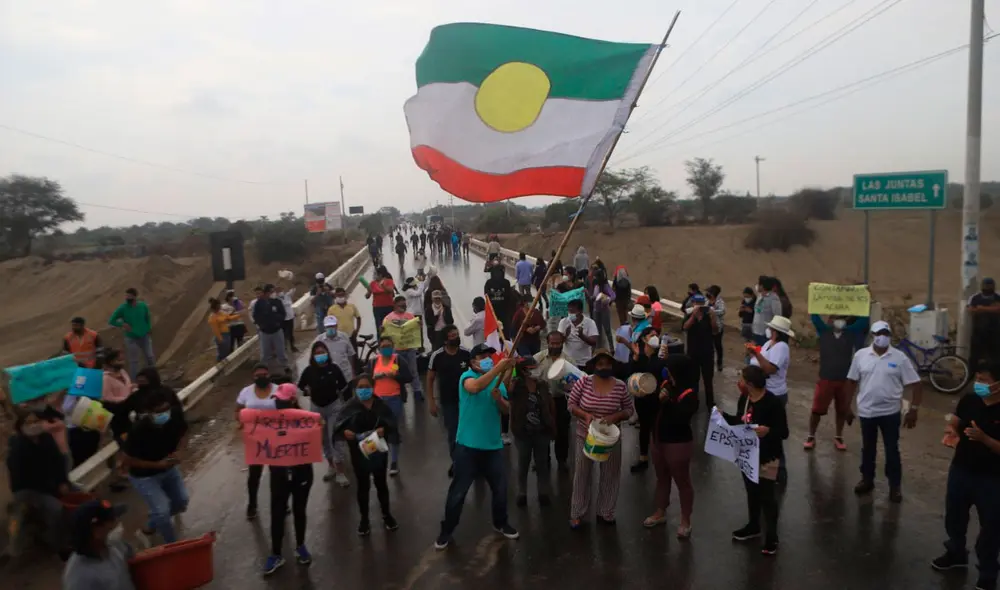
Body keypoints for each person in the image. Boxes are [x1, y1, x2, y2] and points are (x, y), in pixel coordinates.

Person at [434, 345, 518, 550]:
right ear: (473, 361)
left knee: (500, 489)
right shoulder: (467, 377)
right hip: (468, 447)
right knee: (458, 492)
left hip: (493, 445)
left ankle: (501, 522)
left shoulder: (497, 381)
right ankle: (446, 531)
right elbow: (475, 388)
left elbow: (506, 409)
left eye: (490, 355)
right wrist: (499, 368)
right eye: (483, 356)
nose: (488, 358)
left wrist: (499, 399)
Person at [932, 361, 1000, 588]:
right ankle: (956, 553)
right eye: (977, 379)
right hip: (960, 470)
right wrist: (951, 430)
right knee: (955, 516)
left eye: (984, 380)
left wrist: (984, 439)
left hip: (992, 478)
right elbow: (956, 420)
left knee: (991, 527)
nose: (979, 384)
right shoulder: (969, 400)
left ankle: (988, 573)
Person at [846, 320, 922, 503]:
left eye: (886, 334)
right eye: (879, 334)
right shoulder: (861, 356)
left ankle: (895, 486)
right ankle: (867, 480)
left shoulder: (899, 358)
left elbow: (916, 384)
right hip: (867, 412)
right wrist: (846, 406)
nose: (883, 337)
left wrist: (914, 409)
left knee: (892, 450)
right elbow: (852, 381)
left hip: (890, 413)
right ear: (872, 336)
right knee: (868, 448)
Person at [724, 365, 789, 556]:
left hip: (767, 456)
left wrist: (768, 431)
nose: (739, 382)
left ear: (750, 384)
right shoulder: (745, 399)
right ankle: (753, 526)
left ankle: (772, 536)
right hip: (747, 454)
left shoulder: (772, 403)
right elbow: (740, 422)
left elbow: (784, 432)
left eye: (742, 379)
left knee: (767, 497)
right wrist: (723, 417)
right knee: (752, 492)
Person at [568, 349, 634, 528]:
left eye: (607, 364)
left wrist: (615, 416)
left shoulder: (620, 386)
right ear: (594, 366)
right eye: (600, 364)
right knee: (582, 475)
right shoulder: (583, 382)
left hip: (610, 439)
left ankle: (606, 512)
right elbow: (571, 404)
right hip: (585, 436)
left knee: (610, 475)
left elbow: (629, 410)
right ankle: (577, 513)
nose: (604, 367)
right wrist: (585, 415)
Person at [121, 387, 189, 543]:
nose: (164, 414)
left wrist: (179, 451)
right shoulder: (139, 430)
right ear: (149, 413)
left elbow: (184, 434)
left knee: (181, 502)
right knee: (163, 511)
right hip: (144, 476)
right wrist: (157, 465)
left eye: (166, 409)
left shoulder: (175, 417)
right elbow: (127, 460)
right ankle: (172, 544)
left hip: (169, 469)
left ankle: (152, 523)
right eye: (159, 412)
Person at [335, 375, 400, 536]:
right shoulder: (349, 407)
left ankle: (387, 515)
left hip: (378, 451)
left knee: (381, 483)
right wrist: (345, 432)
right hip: (358, 453)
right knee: (363, 486)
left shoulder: (380, 405)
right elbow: (338, 427)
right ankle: (364, 520)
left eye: (367, 386)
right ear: (355, 389)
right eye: (360, 387)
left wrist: (384, 429)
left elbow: (392, 423)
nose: (364, 390)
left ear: (372, 387)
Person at [643, 354, 700, 537]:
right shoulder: (666, 385)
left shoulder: (690, 394)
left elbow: (681, 418)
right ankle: (660, 512)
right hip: (658, 439)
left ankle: (685, 521)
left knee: (682, 482)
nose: (667, 372)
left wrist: (667, 402)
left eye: (670, 369)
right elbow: (652, 408)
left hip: (678, 443)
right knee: (661, 478)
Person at [261, 384, 314, 576]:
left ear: (292, 400)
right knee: (277, 513)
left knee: (299, 510)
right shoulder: (268, 421)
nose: (278, 403)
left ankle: (300, 546)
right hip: (279, 473)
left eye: (282, 400)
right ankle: (276, 554)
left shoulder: (306, 420)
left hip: (301, 473)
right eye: (276, 399)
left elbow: (311, 442)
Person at [7, 411, 71, 558]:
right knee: (56, 509)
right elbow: (25, 478)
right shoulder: (18, 448)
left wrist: (63, 481)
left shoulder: (46, 438)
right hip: (29, 490)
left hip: (52, 484)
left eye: (36, 421)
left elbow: (58, 461)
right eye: (29, 422)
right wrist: (55, 489)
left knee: (80, 493)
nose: (34, 425)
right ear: (20, 427)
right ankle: (58, 544)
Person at [805, 313, 868, 451]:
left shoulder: (850, 332)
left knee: (842, 410)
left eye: (841, 319)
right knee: (817, 410)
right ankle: (811, 436)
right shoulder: (824, 331)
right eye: (835, 318)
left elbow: (864, 320)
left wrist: (864, 303)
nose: (838, 321)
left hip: (844, 379)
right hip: (826, 378)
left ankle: (839, 436)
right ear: (830, 320)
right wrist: (815, 303)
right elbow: (815, 317)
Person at [747, 315, 792, 483]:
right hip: (762, 393)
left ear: (776, 332)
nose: (769, 330)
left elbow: (770, 369)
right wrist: (753, 353)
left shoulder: (782, 347)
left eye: (771, 329)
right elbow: (757, 361)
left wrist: (756, 354)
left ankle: (779, 469)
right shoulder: (768, 344)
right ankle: (763, 466)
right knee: (761, 432)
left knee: (773, 433)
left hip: (775, 395)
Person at [298, 341, 350, 486]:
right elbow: (300, 386)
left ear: (327, 353)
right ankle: (331, 466)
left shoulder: (334, 368)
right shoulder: (309, 371)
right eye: (317, 353)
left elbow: (344, 386)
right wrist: (307, 391)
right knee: (324, 439)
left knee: (335, 438)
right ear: (313, 356)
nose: (320, 355)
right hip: (316, 409)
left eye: (323, 352)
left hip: (334, 407)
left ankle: (340, 472)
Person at [509, 356, 554, 507]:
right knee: (523, 463)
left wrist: (552, 427)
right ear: (524, 371)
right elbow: (506, 395)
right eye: (532, 368)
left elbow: (550, 406)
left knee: (542, 463)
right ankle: (522, 492)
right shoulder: (516, 386)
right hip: (523, 432)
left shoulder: (543, 385)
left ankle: (543, 492)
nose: (536, 370)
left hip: (542, 431)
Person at [427, 325, 471, 477]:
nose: (456, 337)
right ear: (445, 340)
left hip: (467, 400)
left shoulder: (466, 353)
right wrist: (431, 401)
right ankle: (457, 462)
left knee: (469, 431)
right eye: (452, 335)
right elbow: (430, 379)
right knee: (453, 433)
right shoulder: (437, 356)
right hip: (448, 402)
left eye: (457, 334)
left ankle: (471, 462)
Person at [236, 363, 278, 520]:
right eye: (258, 375)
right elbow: (238, 409)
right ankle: (252, 504)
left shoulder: (278, 390)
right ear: (253, 377)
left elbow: (291, 410)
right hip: (255, 440)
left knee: (277, 474)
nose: (261, 378)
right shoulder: (246, 392)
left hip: (276, 439)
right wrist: (241, 420)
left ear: (269, 375)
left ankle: (280, 502)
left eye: (264, 375)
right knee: (254, 474)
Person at [62, 500, 134, 590]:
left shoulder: (113, 545)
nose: (116, 522)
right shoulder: (80, 579)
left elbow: (131, 555)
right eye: (111, 520)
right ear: (96, 531)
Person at [368, 335, 413, 476]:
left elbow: (409, 377)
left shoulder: (398, 360)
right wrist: (374, 378)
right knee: (375, 430)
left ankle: (394, 461)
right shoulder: (374, 361)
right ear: (379, 348)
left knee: (392, 429)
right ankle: (374, 461)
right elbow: (366, 380)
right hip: (377, 401)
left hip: (394, 399)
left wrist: (394, 376)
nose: (386, 349)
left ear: (393, 347)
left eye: (388, 346)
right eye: (383, 346)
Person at [534, 332, 573, 472]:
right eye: (553, 343)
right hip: (542, 401)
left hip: (561, 400)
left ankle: (562, 460)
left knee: (562, 432)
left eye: (558, 343)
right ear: (547, 342)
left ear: (562, 343)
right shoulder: (538, 358)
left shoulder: (569, 361)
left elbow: (575, 383)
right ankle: (543, 460)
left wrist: (568, 385)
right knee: (541, 431)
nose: (555, 346)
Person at [629, 329, 666, 473]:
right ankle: (643, 458)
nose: (655, 337)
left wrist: (666, 360)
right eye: (652, 335)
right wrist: (635, 357)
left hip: (657, 399)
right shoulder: (639, 355)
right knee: (644, 428)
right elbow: (630, 373)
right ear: (644, 339)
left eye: (657, 335)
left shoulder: (660, 355)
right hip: (642, 399)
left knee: (657, 428)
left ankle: (661, 459)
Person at [101, 349, 135, 491]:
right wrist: (125, 399)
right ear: (110, 362)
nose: (122, 362)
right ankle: (121, 471)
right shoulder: (106, 379)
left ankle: (128, 467)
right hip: (117, 415)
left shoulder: (123, 373)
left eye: (122, 359)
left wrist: (132, 390)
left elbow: (127, 387)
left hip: (128, 411)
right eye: (118, 360)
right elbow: (107, 398)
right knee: (123, 442)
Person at [383, 296, 424, 402]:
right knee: (396, 371)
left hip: (410, 349)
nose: (403, 307)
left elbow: (416, 330)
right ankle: (400, 391)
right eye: (401, 305)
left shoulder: (410, 316)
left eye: (405, 305)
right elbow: (385, 334)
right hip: (396, 352)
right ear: (395, 305)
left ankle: (417, 391)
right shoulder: (388, 319)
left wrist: (419, 325)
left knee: (413, 370)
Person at [108, 287, 155, 378]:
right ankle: (134, 381)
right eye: (126, 296)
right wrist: (122, 324)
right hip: (131, 337)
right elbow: (112, 320)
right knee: (134, 361)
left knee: (149, 356)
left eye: (129, 296)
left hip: (144, 335)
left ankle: (152, 377)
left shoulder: (142, 306)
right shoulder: (123, 308)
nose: (127, 298)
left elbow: (147, 317)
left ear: (135, 296)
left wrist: (148, 328)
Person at [683, 293, 719, 409]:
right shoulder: (690, 313)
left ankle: (710, 403)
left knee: (708, 380)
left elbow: (715, 331)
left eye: (701, 303)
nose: (699, 305)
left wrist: (713, 318)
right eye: (697, 303)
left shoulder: (709, 315)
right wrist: (694, 316)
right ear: (693, 303)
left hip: (707, 353)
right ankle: (694, 401)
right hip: (693, 352)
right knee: (693, 379)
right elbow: (685, 327)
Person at [313, 315, 357, 383]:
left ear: (336, 326)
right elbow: (314, 358)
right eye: (328, 326)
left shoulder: (344, 337)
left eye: (332, 326)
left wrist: (352, 372)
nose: (330, 328)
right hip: (328, 377)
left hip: (345, 375)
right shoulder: (319, 340)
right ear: (325, 328)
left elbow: (350, 355)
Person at [253, 284, 288, 368]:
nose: (274, 293)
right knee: (265, 352)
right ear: (267, 292)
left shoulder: (277, 302)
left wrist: (277, 321)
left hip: (277, 330)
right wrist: (262, 325)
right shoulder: (259, 303)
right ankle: (263, 368)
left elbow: (283, 314)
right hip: (265, 332)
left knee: (281, 350)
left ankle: (285, 366)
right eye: (272, 292)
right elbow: (255, 316)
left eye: (274, 291)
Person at [969, 278, 1000, 369]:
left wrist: (981, 308)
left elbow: (998, 309)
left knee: (994, 358)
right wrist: (991, 309)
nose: (988, 288)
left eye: (990, 286)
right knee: (975, 357)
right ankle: (972, 374)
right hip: (978, 332)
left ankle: (994, 375)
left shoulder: (997, 297)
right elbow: (971, 310)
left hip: (995, 333)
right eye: (986, 285)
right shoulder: (975, 298)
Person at [559, 299, 599, 369]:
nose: (570, 314)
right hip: (567, 362)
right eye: (569, 311)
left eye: (573, 312)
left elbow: (594, 342)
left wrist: (582, 336)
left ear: (581, 311)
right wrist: (566, 335)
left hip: (584, 363)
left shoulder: (590, 323)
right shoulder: (563, 322)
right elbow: (558, 342)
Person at [485, 266, 515, 338]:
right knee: (504, 331)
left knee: (495, 332)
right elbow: (509, 296)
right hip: (502, 311)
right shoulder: (506, 282)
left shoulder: (489, 283)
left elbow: (486, 295)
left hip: (495, 311)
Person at [752, 277, 783, 347]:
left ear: (762, 286)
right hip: (756, 331)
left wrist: (773, 333)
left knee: (765, 352)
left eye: (759, 284)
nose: (757, 286)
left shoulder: (774, 298)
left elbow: (778, 316)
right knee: (756, 351)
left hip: (766, 333)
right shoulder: (759, 296)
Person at [366, 266, 396, 336]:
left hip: (389, 307)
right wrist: (369, 292)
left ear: (381, 275)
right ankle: (380, 341)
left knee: (390, 325)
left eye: (376, 274)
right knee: (379, 326)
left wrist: (383, 285)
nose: (375, 276)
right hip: (377, 308)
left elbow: (390, 290)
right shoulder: (373, 283)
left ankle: (391, 340)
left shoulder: (389, 281)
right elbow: (367, 296)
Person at [591, 272, 616, 350]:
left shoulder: (605, 286)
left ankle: (611, 348)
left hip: (604, 310)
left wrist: (607, 299)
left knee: (607, 329)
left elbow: (613, 295)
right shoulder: (596, 286)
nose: (594, 278)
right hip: (596, 310)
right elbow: (594, 296)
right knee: (597, 330)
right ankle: (598, 347)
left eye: (596, 277)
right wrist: (592, 297)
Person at [706, 285, 726, 371]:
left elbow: (722, 311)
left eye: (709, 292)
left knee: (717, 345)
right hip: (707, 326)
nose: (707, 293)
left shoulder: (720, 301)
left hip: (717, 326)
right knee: (708, 345)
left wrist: (712, 311)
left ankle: (719, 362)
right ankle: (709, 361)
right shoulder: (707, 300)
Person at [275, 283, 298, 353]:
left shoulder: (287, 296)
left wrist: (289, 281)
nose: (279, 292)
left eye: (280, 290)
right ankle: (284, 347)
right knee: (283, 334)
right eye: (278, 291)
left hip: (290, 317)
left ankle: (292, 346)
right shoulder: (276, 299)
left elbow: (293, 289)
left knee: (291, 333)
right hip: (283, 319)